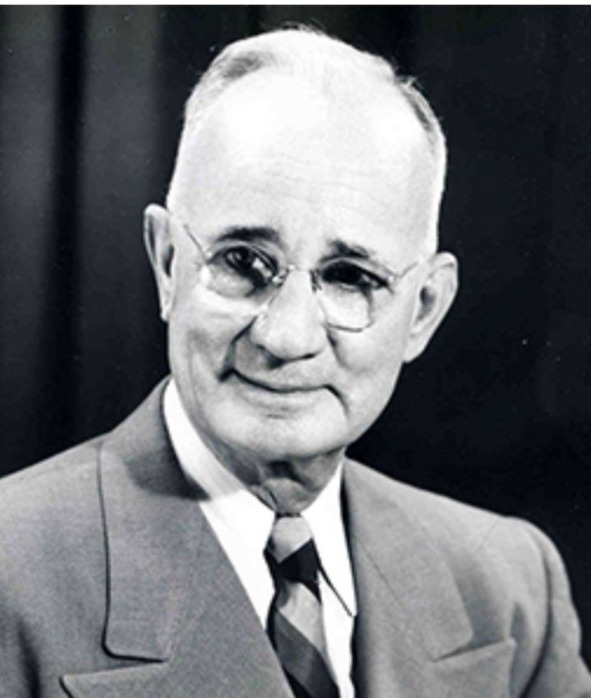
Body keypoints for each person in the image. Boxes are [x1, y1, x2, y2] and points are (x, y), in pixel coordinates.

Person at [0, 27, 589, 698]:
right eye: (241, 262)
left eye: (351, 277)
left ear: (424, 309)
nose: (285, 335)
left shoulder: (506, 590)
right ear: (167, 264)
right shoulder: (11, 577)